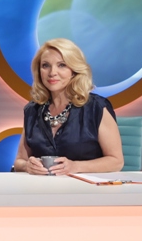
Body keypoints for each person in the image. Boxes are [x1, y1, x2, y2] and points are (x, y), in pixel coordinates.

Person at [14, 38, 123, 175]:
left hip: (85, 186)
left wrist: (75, 166)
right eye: (45, 65)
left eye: (62, 65)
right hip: (43, 186)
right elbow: (20, 161)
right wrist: (27, 166)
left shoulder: (96, 107)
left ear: (74, 70)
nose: (52, 72)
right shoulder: (32, 110)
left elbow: (116, 161)